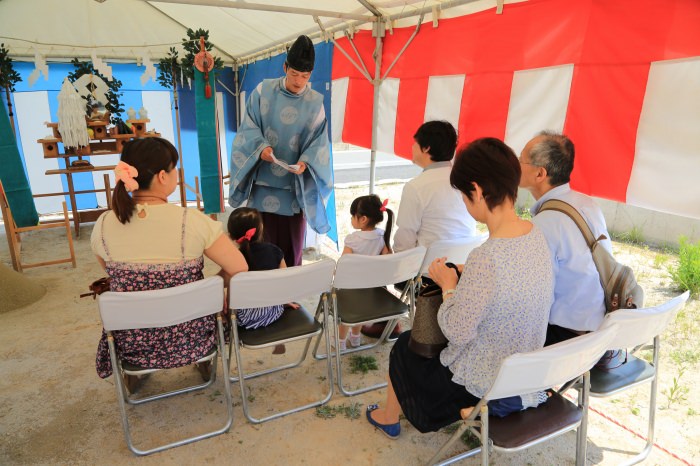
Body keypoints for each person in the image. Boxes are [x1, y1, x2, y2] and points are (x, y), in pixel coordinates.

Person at [365, 137, 554, 439]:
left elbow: (457, 332)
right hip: (525, 369)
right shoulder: (536, 234)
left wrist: (449, 285)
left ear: (477, 191)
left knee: (405, 348)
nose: (466, 205)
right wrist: (468, 276)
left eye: (465, 198)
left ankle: (389, 416)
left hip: (481, 382)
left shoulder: (486, 257)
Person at [91, 137, 248, 390]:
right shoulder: (192, 221)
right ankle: (204, 360)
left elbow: (111, 273)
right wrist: (210, 289)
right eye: (175, 168)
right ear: (163, 176)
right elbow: (239, 269)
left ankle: (134, 374)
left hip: (134, 346)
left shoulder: (103, 224)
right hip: (193, 339)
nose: (177, 174)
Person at [362, 120, 476, 339]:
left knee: (377, 257)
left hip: (426, 275)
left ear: (426, 148)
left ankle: (384, 322)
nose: (412, 148)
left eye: (414, 143)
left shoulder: (417, 186)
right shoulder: (465, 179)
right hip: (463, 267)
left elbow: (405, 238)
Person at [228, 35, 333, 268]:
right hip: (263, 184)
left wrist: (306, 162)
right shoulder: (262, 91)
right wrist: (260, 147)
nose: (299, 81)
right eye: (294, 74)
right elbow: (248, 128)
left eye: (305, 76)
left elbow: (319, 142)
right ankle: (262, 299)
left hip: (294, 187)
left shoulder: (315, 102)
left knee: (291, 246)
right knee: (260, 246)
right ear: (285, 67)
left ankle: (289, 298)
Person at [518, 131, 612, 346]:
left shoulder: (543, 225)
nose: (515, 164)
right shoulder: (588, 204)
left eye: (521, 159)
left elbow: (535, 299)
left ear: (540, 174)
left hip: (565, 338)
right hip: (599, 326)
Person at [227, 207, 296, 354]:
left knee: (223, 309)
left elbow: (228, 287)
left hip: (244, 318)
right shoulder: (275, 251)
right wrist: (283, 300)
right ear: (261, 228)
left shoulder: (233, 259)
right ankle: (276, 335)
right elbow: (285, 283)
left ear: (230, 235)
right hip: (273, 310)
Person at [337, 195, 394, 350]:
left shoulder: (352, 239)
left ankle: (340, 343)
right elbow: (388, 260)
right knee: (360, 312)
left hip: (352, 287)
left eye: (352, 215)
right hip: (372, 289)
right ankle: (355, 339)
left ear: (362, 219)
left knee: (346, 315)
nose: (351, 219)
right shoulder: (383, 236)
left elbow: (344, 264)